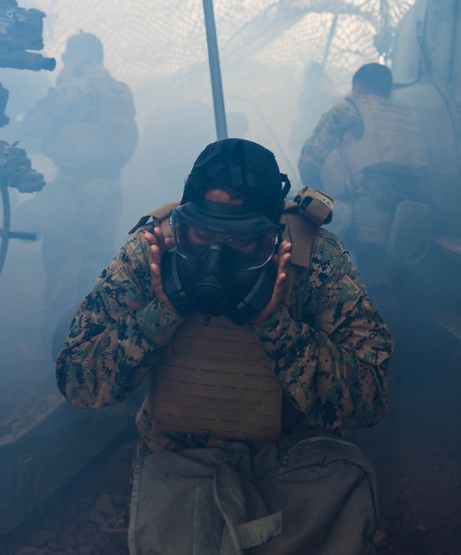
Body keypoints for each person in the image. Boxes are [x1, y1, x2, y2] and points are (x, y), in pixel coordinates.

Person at [57, 137, 392, 554]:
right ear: (183, 224)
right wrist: (160, 314)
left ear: (271, 238)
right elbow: (78, 381)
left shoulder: (314, 261)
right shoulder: (153, 253)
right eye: (202, 234)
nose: (215, 256)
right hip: (179, 456)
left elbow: (370, 399)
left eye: (238, 241)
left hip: (292, 457)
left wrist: (276, 327)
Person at [20, 31, 138, 341]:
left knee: (62, 264)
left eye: (66, 58)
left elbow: (31, 124)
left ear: (78, 57)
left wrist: (61, 84)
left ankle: (55, 349)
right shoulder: (116, 90)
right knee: (96, 267)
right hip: (109, 189)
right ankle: (98, 341)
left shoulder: (77, 88)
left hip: (77, 190)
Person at [298, 63, 430, 324]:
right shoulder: (408, 116)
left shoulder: (347, 109)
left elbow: (309, 160)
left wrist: (319, 200)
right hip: (411, 223)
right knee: (393, 295)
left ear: (357, 86)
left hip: (367, 223)